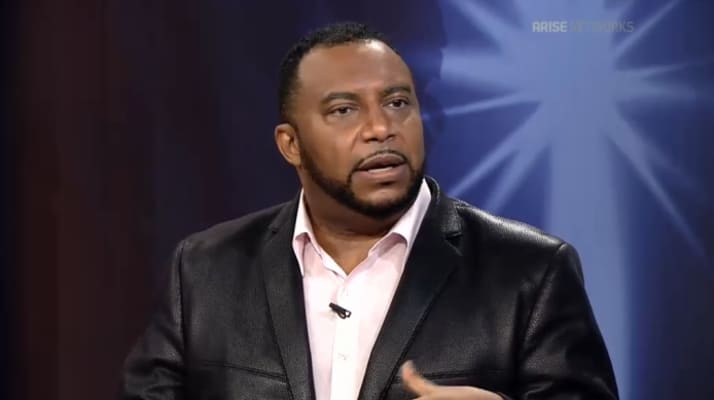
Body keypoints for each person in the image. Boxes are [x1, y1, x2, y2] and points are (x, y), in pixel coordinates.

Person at [120, 22, 618, 400]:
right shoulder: (205, 270)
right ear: (291, 144)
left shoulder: (531, 273)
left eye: (398, 103)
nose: (381, 128)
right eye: (344, 110)